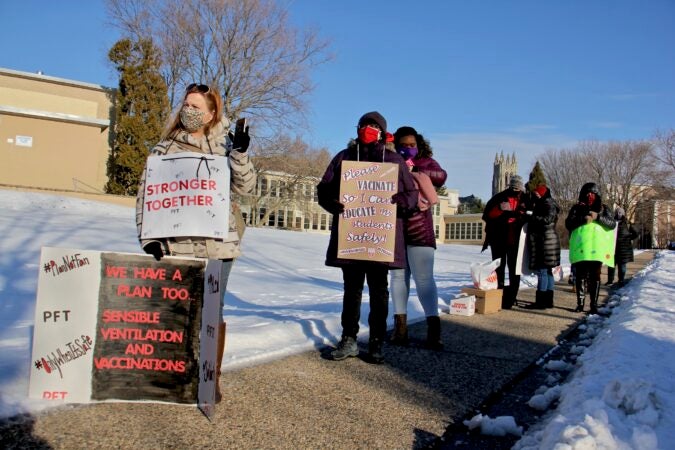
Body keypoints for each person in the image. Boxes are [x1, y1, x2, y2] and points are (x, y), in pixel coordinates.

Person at [135, 83, 256, 401]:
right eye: (186, 105)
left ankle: (209, 378)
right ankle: (178, 373)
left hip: (218, 244)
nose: (188, 111)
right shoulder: (165, 149)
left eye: (196, 107)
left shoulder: (226, 148)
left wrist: (240, 154)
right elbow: (146, 194)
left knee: (213, 311)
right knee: (180, 310)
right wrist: (149, 238)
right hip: (179, 243)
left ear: (212, 113)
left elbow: (245, 187)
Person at [317, 112, 418, 364]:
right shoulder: (345, 157)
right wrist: (333, 202)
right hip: (352, 235)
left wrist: (398, 202)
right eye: (364, 125)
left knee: (378, 291)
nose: (368, 129)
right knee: (351, 290)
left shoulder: (394, 161)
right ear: (357, 128)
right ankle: (349, 338)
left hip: (380, 239)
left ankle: (376, 342)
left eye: (374, 126)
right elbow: (324, 188)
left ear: (383, 131)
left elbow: (412, 195)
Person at [389, 126, 447, 349]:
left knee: (424, 279)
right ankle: (400, 329)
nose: (407, 149)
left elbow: (441, 177)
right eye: (403, 146)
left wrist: (416, 169)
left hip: (420, 229)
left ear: (419, 146)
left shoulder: (426, 162)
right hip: (395, 229)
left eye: (412, 145)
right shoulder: (391, 162)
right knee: (397, 279)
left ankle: (434, 330)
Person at [565, 182, 616, 314]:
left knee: (595, 276)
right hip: (581, 248)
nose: (590, 196)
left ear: (597, 194)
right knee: (580, 276)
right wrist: (583, 219)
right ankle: (580, 304)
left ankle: (593, 305)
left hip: (597, 249)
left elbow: (612, 224)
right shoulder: (576, 208)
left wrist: (598, 217)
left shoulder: (604, 208)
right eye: (587, 193)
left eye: (592, 193)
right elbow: (568, 223)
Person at [482, 175, 529, 309]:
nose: (516, 191)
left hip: (516, 240)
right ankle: (499, 296)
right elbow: (487, 215)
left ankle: (511, 298)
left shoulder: (525, 199)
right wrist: (500, 209)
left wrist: (522, 215)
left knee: (515, 270)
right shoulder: (499, 198)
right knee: (499, 268)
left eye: (518, 189)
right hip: (499, 239)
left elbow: (531, 215)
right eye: (514, 188)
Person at [525, 184, 561, 309]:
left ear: (543, 194)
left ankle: (541, 302)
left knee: (542, 271)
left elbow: (548, 219)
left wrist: (531, 217)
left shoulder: (547, 203)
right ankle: (548, 301)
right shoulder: (548, 203)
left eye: (537, 194)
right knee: (548, 271)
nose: (536, 196)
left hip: (545, 242)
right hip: (548, 241)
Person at [606, 207, 638, 286]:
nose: (618, 214)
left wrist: (628, 238)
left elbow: (636, 233)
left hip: (623, 249)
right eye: (617, 212)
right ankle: (610, 281)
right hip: (613, 248)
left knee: (622, 266)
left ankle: (621, 280)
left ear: (623, 214)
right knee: (611, 265)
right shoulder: (612, 222)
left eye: (620, 212)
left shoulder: (627, 223)